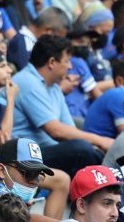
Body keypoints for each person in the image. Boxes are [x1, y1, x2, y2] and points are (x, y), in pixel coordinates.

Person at [11, 34, 108, 176]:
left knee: (88, 147)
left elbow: (69, 129)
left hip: (49, 150)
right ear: (51, 62)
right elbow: (56, 131)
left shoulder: (54, 87)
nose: (70, 66)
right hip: (24, 156)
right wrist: (101, 141)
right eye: (67, 61)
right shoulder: (27, 82)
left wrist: (97, 144)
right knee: (82, 149)